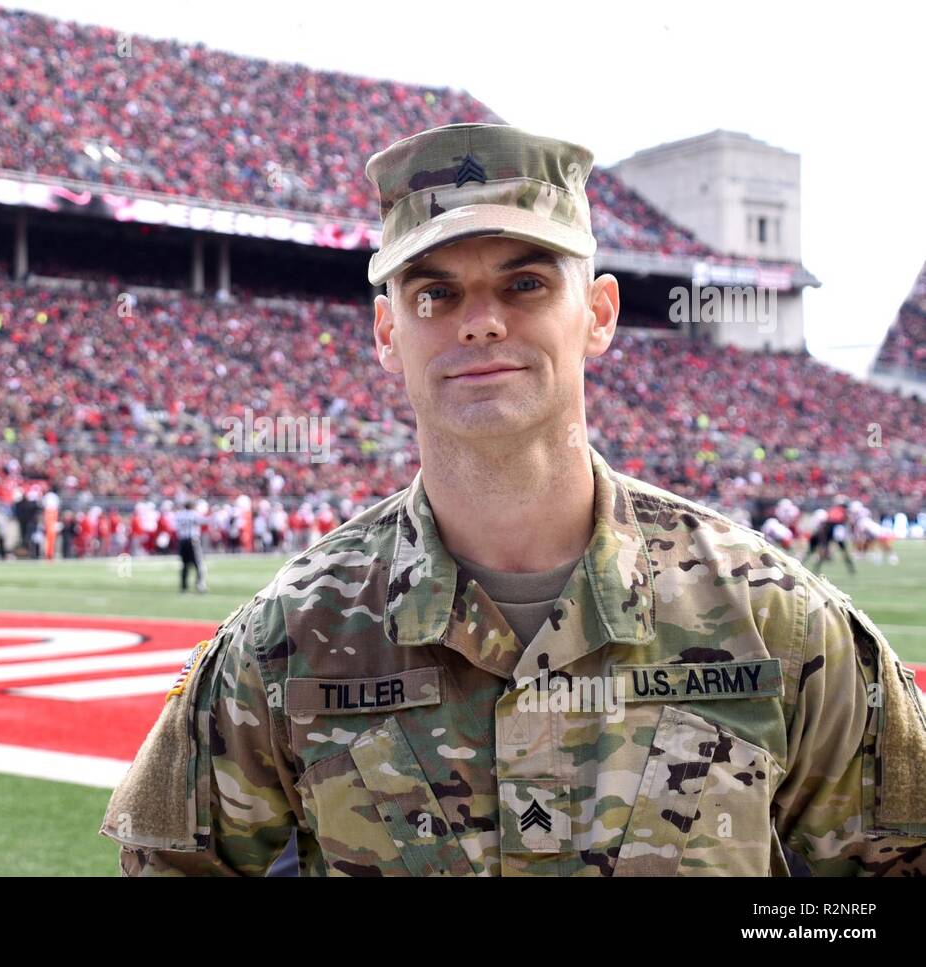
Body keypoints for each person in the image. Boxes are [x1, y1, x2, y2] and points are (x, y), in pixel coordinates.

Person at [101, 122, 926, 877]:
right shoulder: (284, 642)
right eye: (435, 294)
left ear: (598, 315)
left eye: (525, 283)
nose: (481, 322)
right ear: (389, 335)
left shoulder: (779, 621)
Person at [175, 499, 209, 593]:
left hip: (182, 541)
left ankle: (183, 587)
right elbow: (204, 521)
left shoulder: (179, 514)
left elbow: (175, 526)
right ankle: (200, 585)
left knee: (184, 565)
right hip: (192, 541)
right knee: (198, 564)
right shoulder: (194, 514)